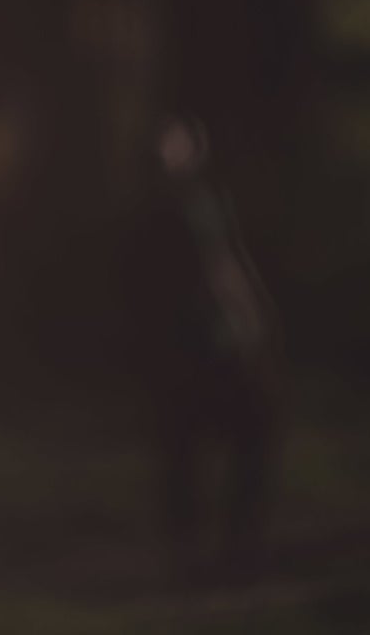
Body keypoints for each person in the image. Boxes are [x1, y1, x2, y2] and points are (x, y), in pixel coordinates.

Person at [120, 113, 283, 577]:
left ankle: (236, 545)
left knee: (244, 435)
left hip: (225, 341)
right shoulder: (156, 214)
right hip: (186, 348)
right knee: (184, 451)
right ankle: (197, 551)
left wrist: (257, 315)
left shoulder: (208, 202)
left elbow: (230, 262)